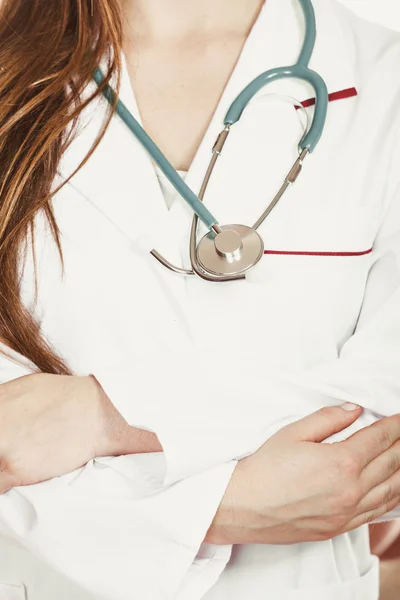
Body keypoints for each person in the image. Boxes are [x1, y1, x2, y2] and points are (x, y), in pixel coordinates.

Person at [0, 0, 400, 598]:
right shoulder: (11, 63)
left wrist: (105, 414)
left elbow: (383, 410)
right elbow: (10, 439)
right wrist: (215, 512)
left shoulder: (384, 77)